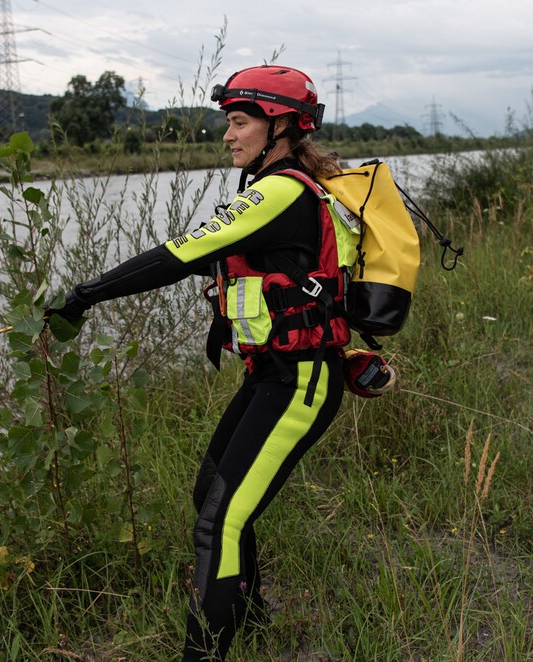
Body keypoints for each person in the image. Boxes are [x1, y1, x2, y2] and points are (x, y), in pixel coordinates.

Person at [45, 65, 351, 660]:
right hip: (272, 375)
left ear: (282, 126)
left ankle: (204, 653)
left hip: (303, 379)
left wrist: (82, 296)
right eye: (229, 123)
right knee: (211, 492)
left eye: (239, 122)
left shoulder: (283, 190)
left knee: (220, 521)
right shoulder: (270, 188)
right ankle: (255, 624)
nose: (228, 136)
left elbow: (180, 254)